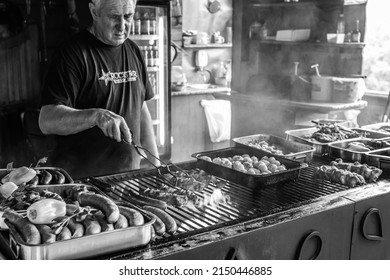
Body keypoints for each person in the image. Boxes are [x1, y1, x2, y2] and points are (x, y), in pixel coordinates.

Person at [38, 0, 159, 179]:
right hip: (83, 182)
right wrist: (96, 116)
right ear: (94, 12)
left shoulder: (133, 50)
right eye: (114, 17)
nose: (122, 26)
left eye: (128, 16)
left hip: (128, 179)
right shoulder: (71, 54)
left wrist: (154, 162)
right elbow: (46, 120)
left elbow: (141, 109)